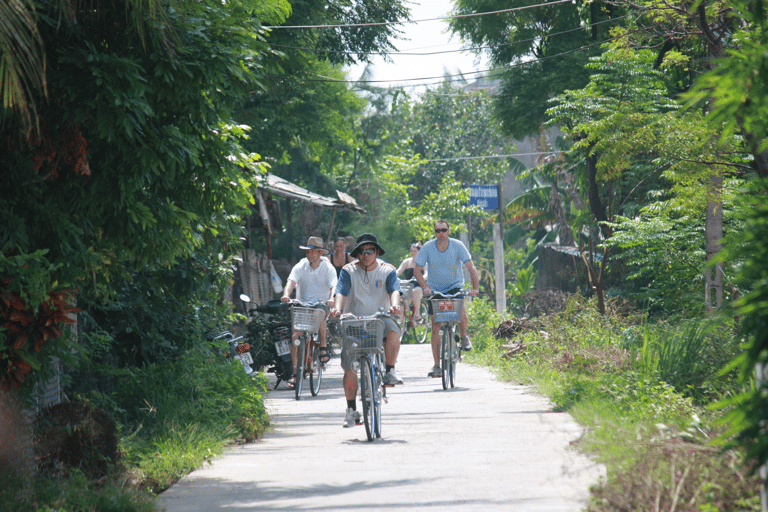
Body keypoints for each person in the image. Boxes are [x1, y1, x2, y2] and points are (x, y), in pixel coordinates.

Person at [329, 233, 403, 428]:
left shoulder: (388, 270)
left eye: (370, 251)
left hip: (380, 318)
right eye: (362, 251)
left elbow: (394, 290)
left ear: (377, 252)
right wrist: (337, 309)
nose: (366, 255)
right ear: (357, 254)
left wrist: (394, 306)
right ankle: (352, 410)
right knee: (350, 367)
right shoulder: (348, 270)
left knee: (394, 332)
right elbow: (341, 291)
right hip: (354, 321)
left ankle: (389, 370)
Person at [413, 220, 479, 378]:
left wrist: (475, 289)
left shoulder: (457, 246)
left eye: (444, 230)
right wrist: (425, 287)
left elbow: (471, 267)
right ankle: (437, 365)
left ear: (449, 231)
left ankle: (463, 337)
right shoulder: (428, 247)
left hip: (455, 286)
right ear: (434, 232)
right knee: (436, 326)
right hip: (435, 290)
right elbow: (417, 270)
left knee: (460, 313)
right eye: (437, 230)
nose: (441, 233)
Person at [281, 236, 337, 389]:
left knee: (319, 313)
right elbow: (291, 282)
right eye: (307, 252)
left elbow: (334, 287)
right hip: (303, 304)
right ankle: (294, 373)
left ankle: (323, 347)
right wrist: (286, 295)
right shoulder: (301, 265)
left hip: (321, 304)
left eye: (312, 252)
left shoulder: (328, 268)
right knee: (295, 337)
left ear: (319, 253)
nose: (309, 254)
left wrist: (331, 299)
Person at [396, 242, 425, 325]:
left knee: (416, 290)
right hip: (408, 286)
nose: (412, 253)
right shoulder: (407, 262)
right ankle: (402, 325)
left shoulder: (423, 262)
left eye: (415, 251)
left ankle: (417, 314)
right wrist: (391, 275)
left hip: (419, 285)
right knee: (401, 303)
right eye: (411, 251)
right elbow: (398, 271)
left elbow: (427, 273)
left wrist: (422, 278)